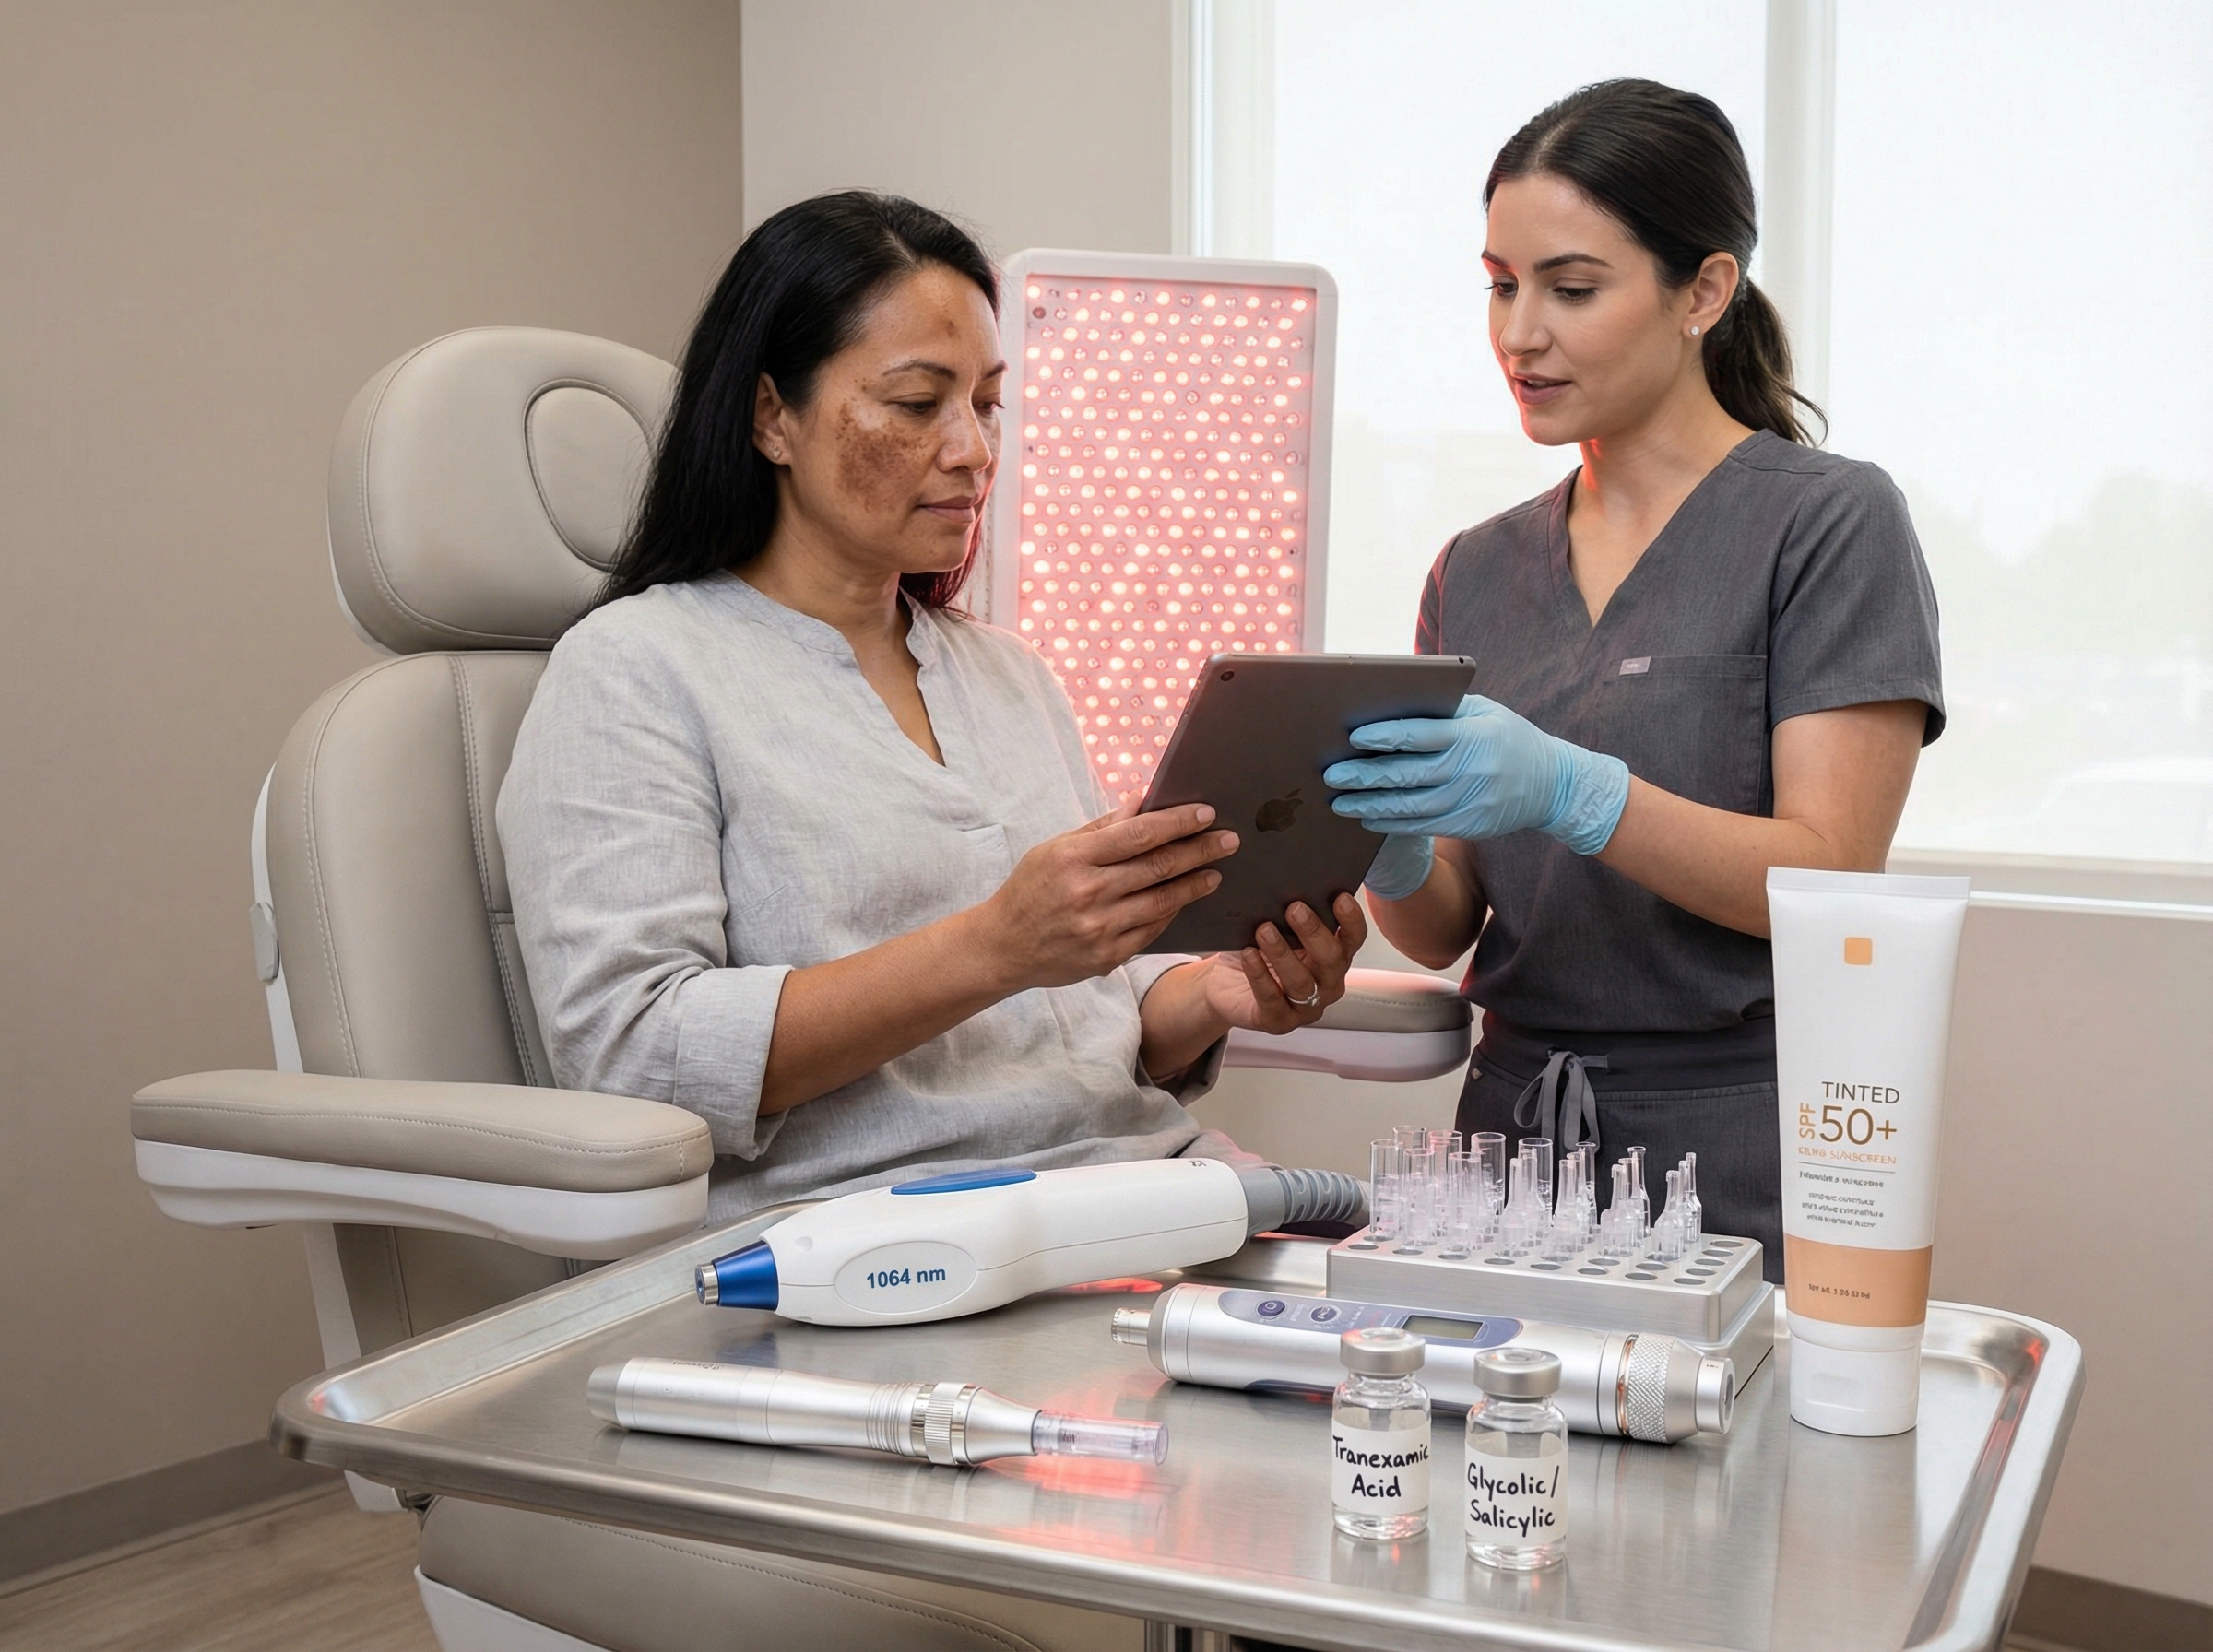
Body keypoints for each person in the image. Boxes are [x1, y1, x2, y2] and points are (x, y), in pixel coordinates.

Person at [499, 191, 1367, 1221]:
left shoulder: (1007, 676)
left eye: (988, 403)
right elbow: (632, 1055)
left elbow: (1080, 1019)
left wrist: (1213, 995)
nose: (973, 449)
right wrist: (995, 944)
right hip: (885, 1244)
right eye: (918, 404)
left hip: (1147, 1197)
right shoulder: (635, 670)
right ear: (773, 416)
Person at [1325, 81, 1943, 1280]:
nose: (1519, 333)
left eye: (1572, 287)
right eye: (1501, 284)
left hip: (1729, 1150)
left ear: (1702, 292)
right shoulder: (1476, 568)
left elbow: (1827, 882)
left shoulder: (1826, 525)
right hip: (1504, 1143)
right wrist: (1389, 848)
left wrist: (1577, 793)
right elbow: (1443, 923)